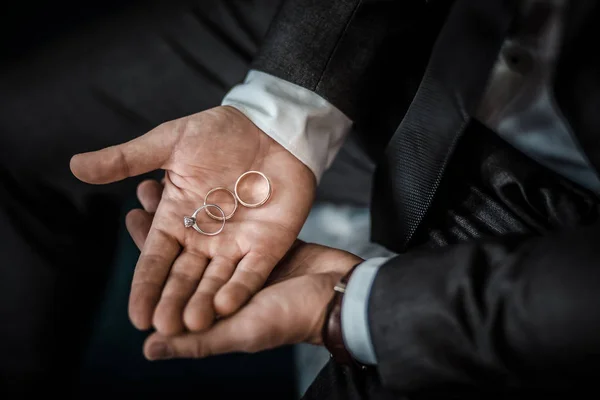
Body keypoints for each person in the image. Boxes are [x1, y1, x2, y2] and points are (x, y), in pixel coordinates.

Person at [3, 0, 600, 398]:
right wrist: (280, 106)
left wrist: (359, 309)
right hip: (444, 41)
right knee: (20, 134)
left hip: (549, 252)